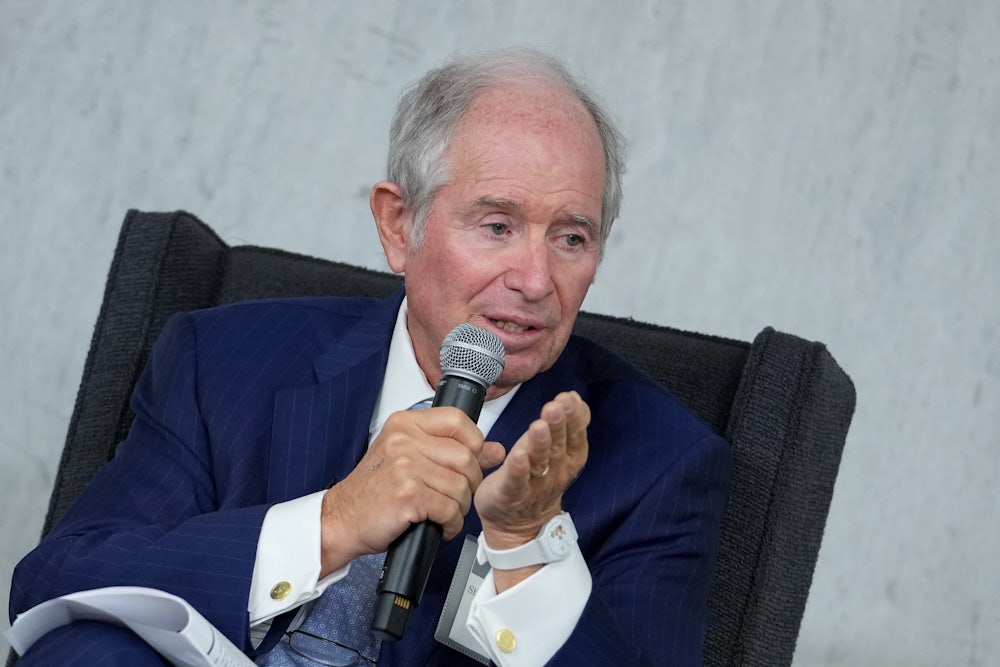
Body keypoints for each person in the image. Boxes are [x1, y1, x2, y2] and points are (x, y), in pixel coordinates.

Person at [9, 49, 731, 666]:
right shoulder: (221, 360)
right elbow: (56, 582)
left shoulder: (660, 460)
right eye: (497, 225)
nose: (536, 280)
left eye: (571, 238)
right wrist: (331, 524)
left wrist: (524, 549)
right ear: (398, 223)